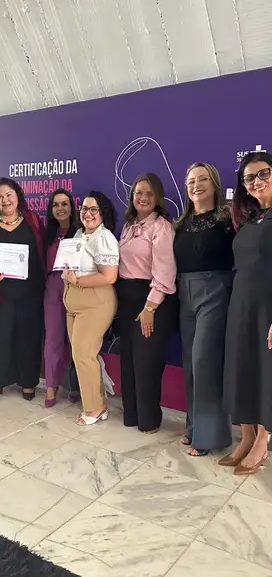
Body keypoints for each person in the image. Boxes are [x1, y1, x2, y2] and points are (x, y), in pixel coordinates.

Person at [174, 163, 234, 456]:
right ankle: (194, 427)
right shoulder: (180, 223)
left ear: (214, 183)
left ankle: (209, 437)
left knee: (204, 363)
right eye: (190, 181)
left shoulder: (229, 218)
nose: (196, 185)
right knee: (190, 364)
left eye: (202, 179)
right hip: (184, 294)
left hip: (215, 292)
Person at [0, 178, 45, 403]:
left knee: (28, 337)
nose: (5, 200)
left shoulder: (32, 219)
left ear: (17, 196)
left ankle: (28, 382)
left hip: (30, 292)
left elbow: (42, 249)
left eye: (9, 195)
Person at [221, 150, 272, 474]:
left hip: (267, 307)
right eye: (249, 177)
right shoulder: (251, 217)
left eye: (263, 173)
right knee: (241, 367)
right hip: (241, 303)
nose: (257, 181)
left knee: (265, 372)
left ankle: (262, 442)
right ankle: (247, 436)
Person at [118, 174, 177, 433]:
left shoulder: (161, 227)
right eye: (139, 192)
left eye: (149, 193)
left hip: (151, 300)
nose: (143, 198)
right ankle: (132, 415)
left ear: (158, 198)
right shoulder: (129, 225)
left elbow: (165, 272)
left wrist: (150, 307)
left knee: (146, 363)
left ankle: (149, 420)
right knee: (129, 360)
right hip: (126, 298)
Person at [63, 191, 119, 426]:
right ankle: (99, 404)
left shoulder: (104, 238)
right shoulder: (80, 234)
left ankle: (94, 408)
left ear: (103, 212)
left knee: (83, 354)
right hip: (74, 302)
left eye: (93, 209)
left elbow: (109, 276)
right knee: (83, 355)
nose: (87, 213)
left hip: (95, 303)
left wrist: (76, 280)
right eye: (84, 209)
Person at [43, 189, 78, 407]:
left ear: (72, 208)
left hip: (76, 286)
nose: (60, 208)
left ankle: (75, 384)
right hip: (53, 287)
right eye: (56, 204)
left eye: (65, 204)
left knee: (77, 338)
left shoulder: (81, 232)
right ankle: (51, 384)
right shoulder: (46, 234)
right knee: (53, 337)